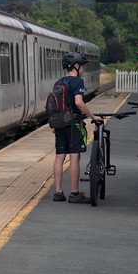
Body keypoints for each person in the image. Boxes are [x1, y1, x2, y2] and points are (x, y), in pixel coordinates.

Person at [52, 52, 102, 203]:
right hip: (74, 124)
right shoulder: (77, 82)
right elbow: (79, 102)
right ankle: (74, 193)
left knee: (60, 157)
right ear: (76, 66)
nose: (83, 70)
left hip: (60, 124)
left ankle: (58, 192)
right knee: (75, 156)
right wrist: (93, 116)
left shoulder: (58, 82)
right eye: (82, 66)